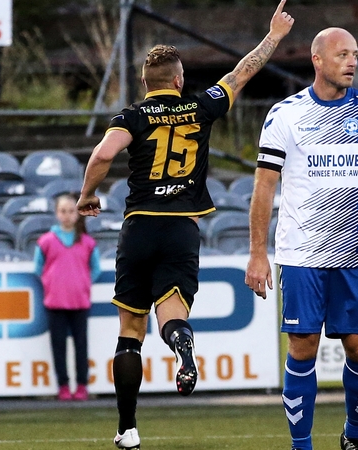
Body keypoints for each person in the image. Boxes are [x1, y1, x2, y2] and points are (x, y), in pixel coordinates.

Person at [76, 2, 294, 448]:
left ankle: (128, 429)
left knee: (130, 331)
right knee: (172, 310)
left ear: (144, 82)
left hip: (139, 226)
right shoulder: (200, 106)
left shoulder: (131, 117)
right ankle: (182, 346)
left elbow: (101, 155)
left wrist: (86, 196)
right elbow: (241, 73)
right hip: (181, 228)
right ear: (179, 80)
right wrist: (272, 36)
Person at [245, 27, 358, 450]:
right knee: (304, 346)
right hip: (300, 254)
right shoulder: (285, 114)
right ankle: (302, 446)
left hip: (354, 252)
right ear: (317, 60)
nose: (352, 62)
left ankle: (354, 436)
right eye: (342, 55)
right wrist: (257, 254)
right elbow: (263, 187)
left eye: (355, 54)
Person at [35, 193, 101, 402]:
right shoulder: (46, 241)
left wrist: (83, 282)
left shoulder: (87, 242)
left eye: (71, 211)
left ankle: (82, 385)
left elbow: (96, 268)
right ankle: (63, 385)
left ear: (77, 214)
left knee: (81, 345)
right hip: (55, 302)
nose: (66, 215)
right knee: (58, 346)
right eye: (63, 211)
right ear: (57, 213)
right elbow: (38, 267)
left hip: (79, 302)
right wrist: (50, 282)